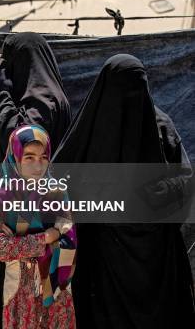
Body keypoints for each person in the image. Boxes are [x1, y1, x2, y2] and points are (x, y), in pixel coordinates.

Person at [53, 54, 195, 328]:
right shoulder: (160, 126)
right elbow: (183, 185)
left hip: (106, 268)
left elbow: (60, 188)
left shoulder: (92, 127)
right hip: (155, 266)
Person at [0, 32, 72, 329]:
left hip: (26, 223)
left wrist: (2, 91)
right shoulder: (51, 95)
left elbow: (19, 138)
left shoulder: (41, 99)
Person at [0, 124, 76, 329]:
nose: (38, 165)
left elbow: (69, 240)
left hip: (56, 291)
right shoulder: (2, 197)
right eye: (29, 157)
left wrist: (19, 242)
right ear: (15, 157)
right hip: (19, 291)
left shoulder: (57, 193)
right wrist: (46, 237)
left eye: (43, 157)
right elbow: (1, 248)